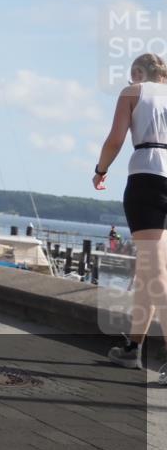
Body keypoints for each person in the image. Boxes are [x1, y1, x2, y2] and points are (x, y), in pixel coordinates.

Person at [93, 53, 167, 373]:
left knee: (157, 273)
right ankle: (133, 348)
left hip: (147, 181)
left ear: (138, 72)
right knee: (150, 271)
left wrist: (101, 170)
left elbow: (115, 139)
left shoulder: (132, 92)